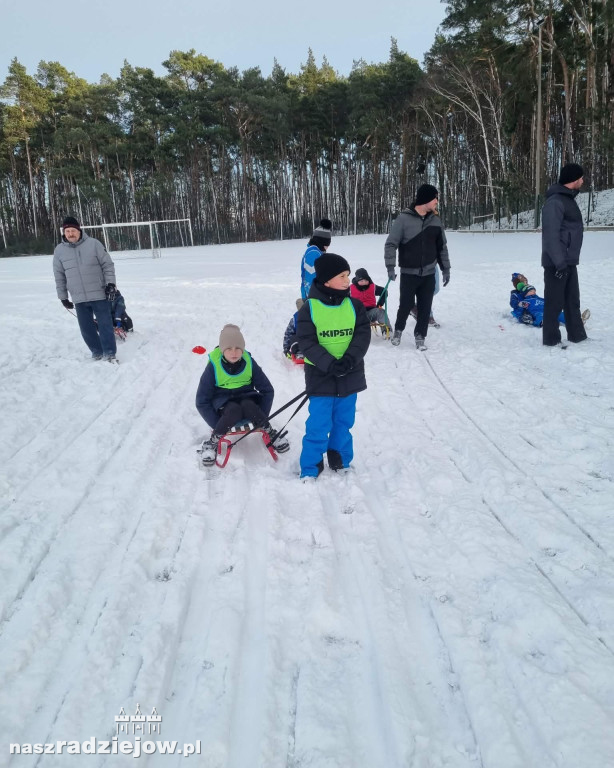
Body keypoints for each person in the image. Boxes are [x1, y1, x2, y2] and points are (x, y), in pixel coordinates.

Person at [296, 253, 371, 480]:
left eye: (348, 275)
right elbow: (307, 342)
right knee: (318, 423)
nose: (348, 280)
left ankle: (340, 459)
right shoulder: (309, 309)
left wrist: (349, 360)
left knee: (343, 421)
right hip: (321, 376)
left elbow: (362, 336)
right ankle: (311, 466)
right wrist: (329, 363)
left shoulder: (355, 306)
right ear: (327, 280)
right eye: (342, 275)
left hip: (350, 373)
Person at [196, 324, 289, 465]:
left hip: (246, 398)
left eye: (238, 348)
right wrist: (216, 423)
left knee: (248, 405)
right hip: (225, 405)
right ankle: (213, 442)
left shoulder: (249, 362)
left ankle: (269, 431)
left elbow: (267, 389)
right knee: (234, 409)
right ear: (222, 350)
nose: (234, 352)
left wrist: (261, 416)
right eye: (229, 348)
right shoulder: (213, 366)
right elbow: (202, 400)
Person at [384, 184, 450, 350]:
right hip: (409, 272)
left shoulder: (435, 220)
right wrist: (390, 267)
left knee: (425, 306)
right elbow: (391, 244)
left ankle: (420, 336)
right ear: (426, 199)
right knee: (405, 304)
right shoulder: (403, 219)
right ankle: (398, 330)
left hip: (428, 272)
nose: (436, 201)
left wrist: (446, 269)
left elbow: (442, 247)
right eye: (435, 198)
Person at [53, 215, 118, 362]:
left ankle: (109, 353)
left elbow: (108, 265)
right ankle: (97, 352)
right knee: (86, 328)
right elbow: (59, 275)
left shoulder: (94, 244)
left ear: (79, 230)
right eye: (67, 231)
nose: (70, 234)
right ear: (64, 232)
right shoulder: (59, 251)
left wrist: (111, 284)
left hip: (99, 293)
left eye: (73, 231)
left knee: (105, 325)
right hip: (78, 296)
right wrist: (62, 296)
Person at [541, 163, 587, 347]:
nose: (583, 181)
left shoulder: (568, 199)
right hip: (556, 263)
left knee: (572, 301)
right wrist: (559, 263)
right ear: (574, 180)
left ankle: (577, 336)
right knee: (554, 303)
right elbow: (551, 236)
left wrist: (567, 262)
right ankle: (551, 340)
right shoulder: (555, 201)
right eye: (581, 178)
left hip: (569, 261)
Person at [510, 273, 588, 328]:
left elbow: (545, 300)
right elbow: (514, 305)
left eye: (526, 282)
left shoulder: (535, 296)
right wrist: (520, 310)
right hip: (532, 312)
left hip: (547, 310)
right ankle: (545, 323)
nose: (525, 284)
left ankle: (576, 321)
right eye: (523, 283)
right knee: (540, 316)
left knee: (560, 314)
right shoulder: (516, 295)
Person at [300, 217, 332, 300]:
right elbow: (310, 278)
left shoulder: (317, 252)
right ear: (321, 241)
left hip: (315, 293)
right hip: (313, 295)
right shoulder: (313, 253)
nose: (328, 246)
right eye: (327, 243)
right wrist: (315, 296)